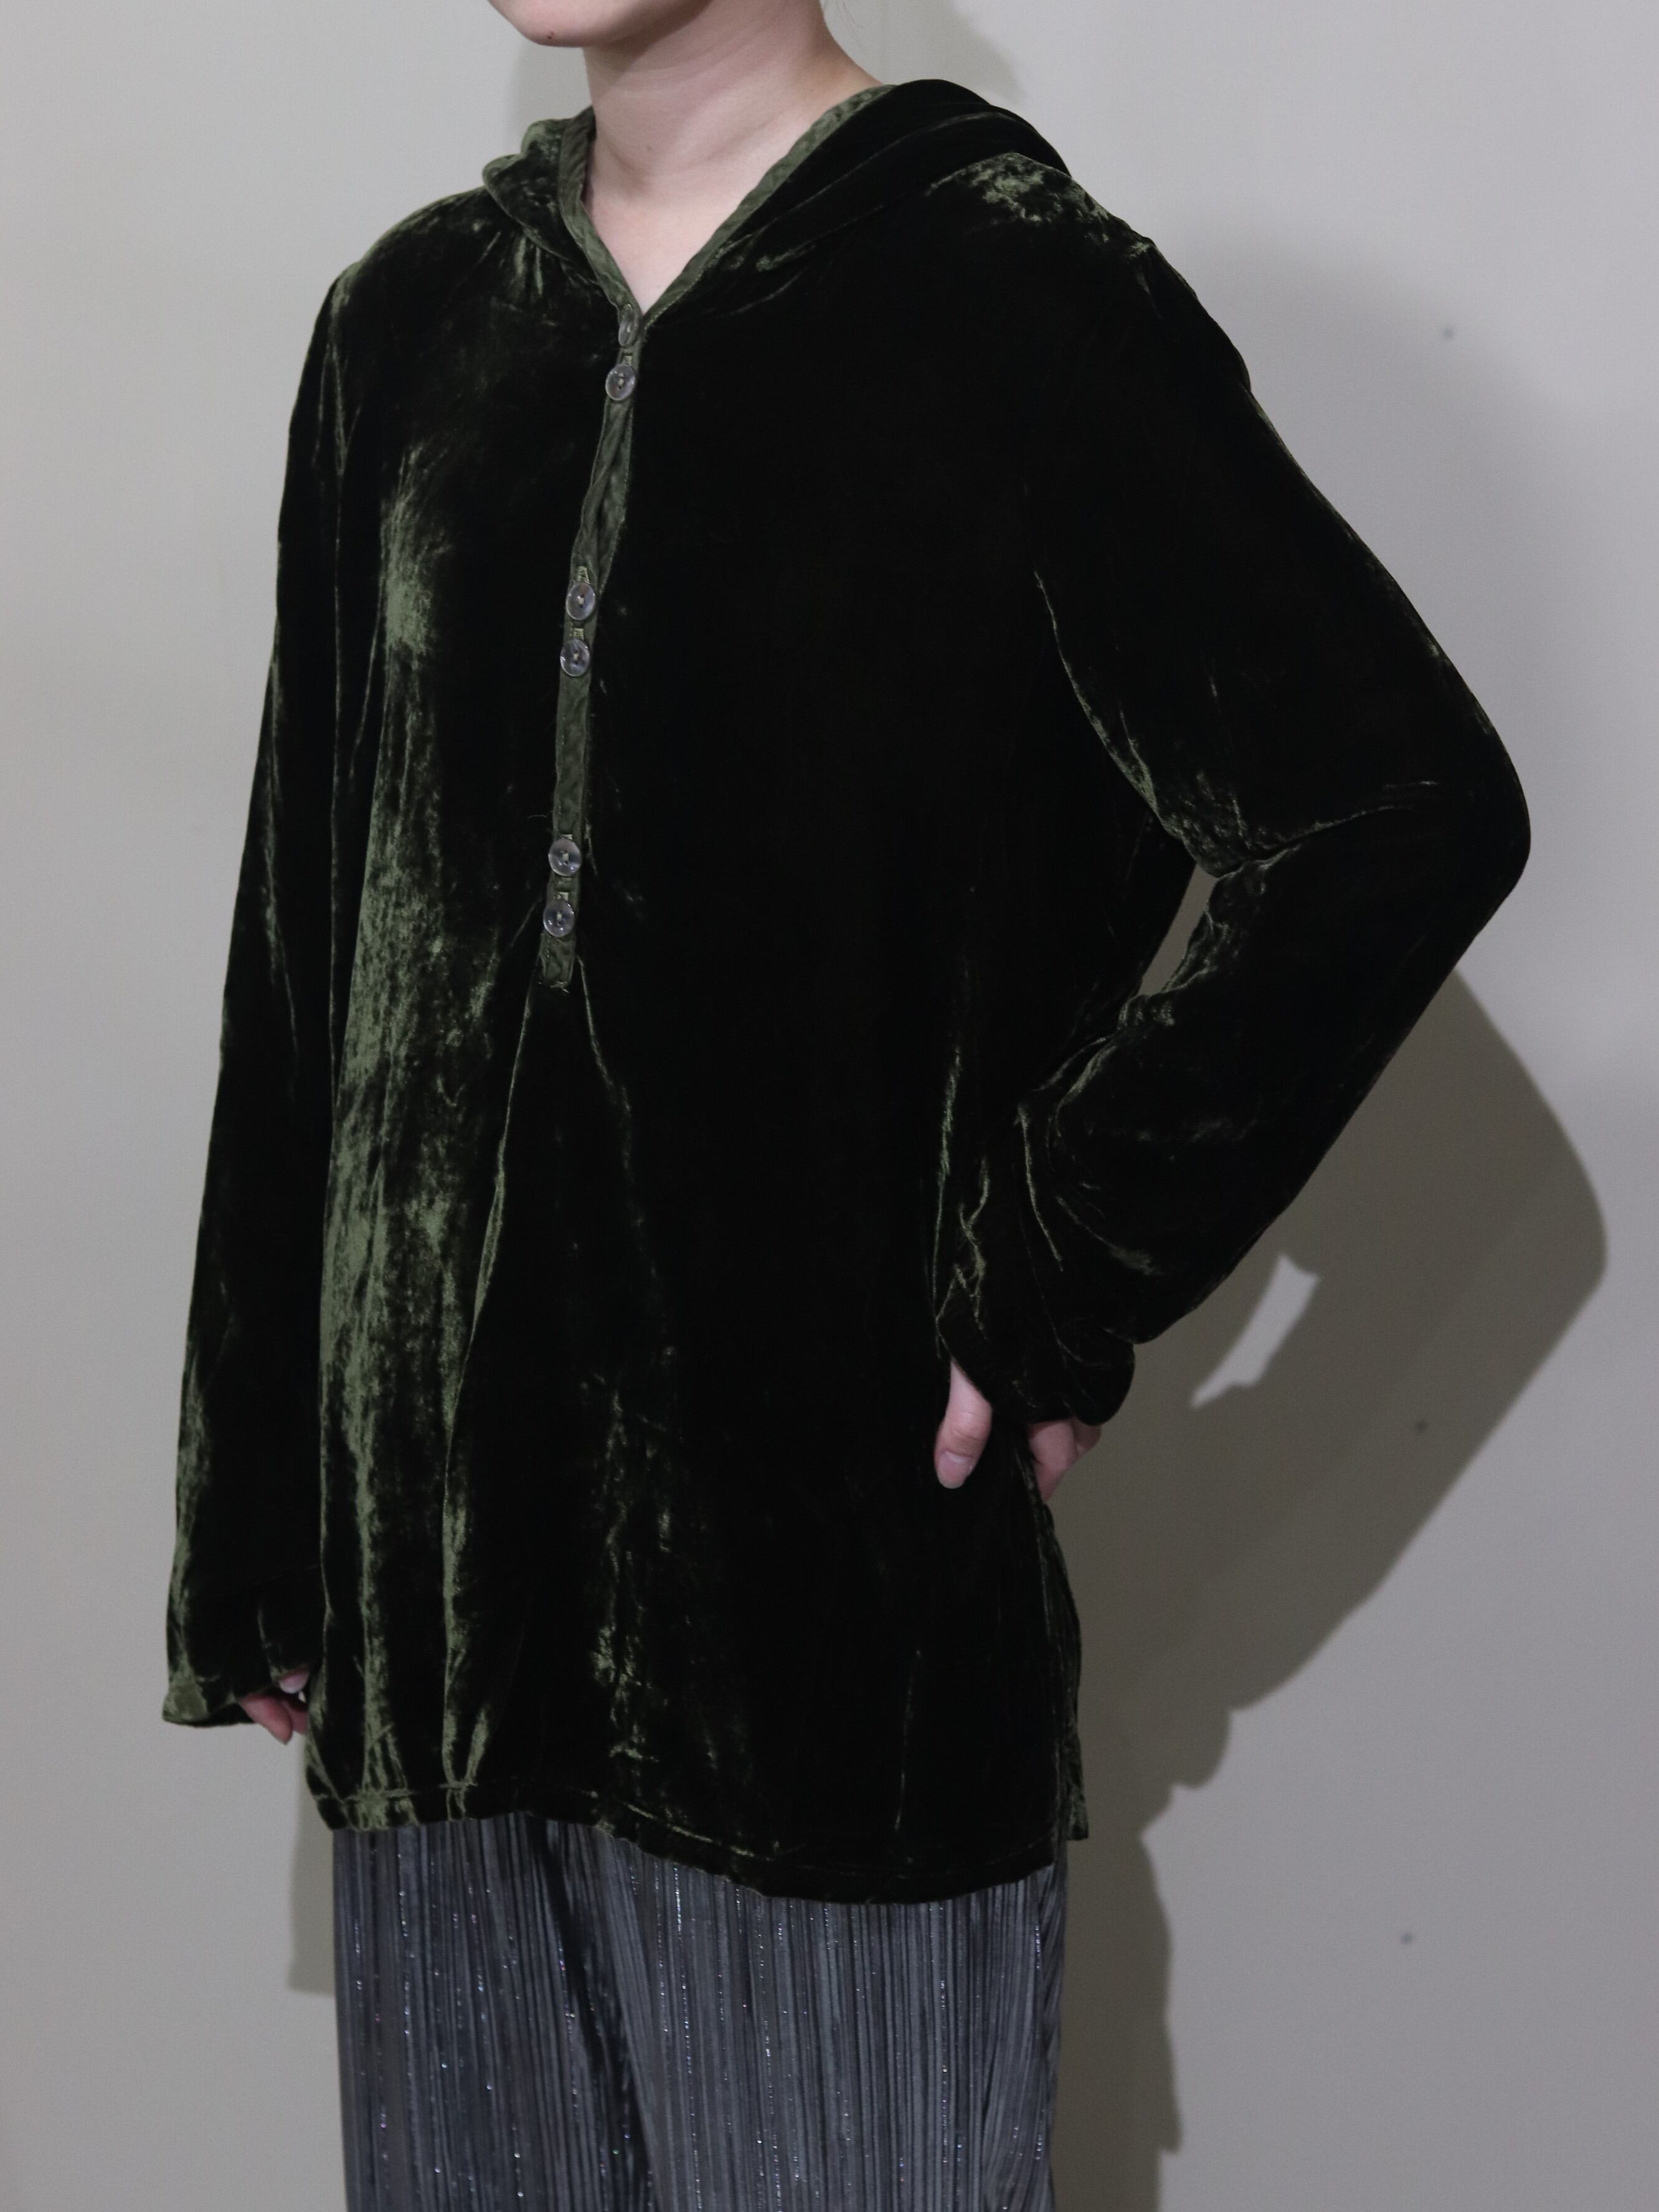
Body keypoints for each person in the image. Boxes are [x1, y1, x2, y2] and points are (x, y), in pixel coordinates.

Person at [161, 0, 1530, 2203]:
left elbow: (1393, 811)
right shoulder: (405, 327)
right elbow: (307, 934)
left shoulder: (1019, 299)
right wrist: (258, 1511)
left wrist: (1054, 1266)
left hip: (821, 1649)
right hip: (441, 1634)